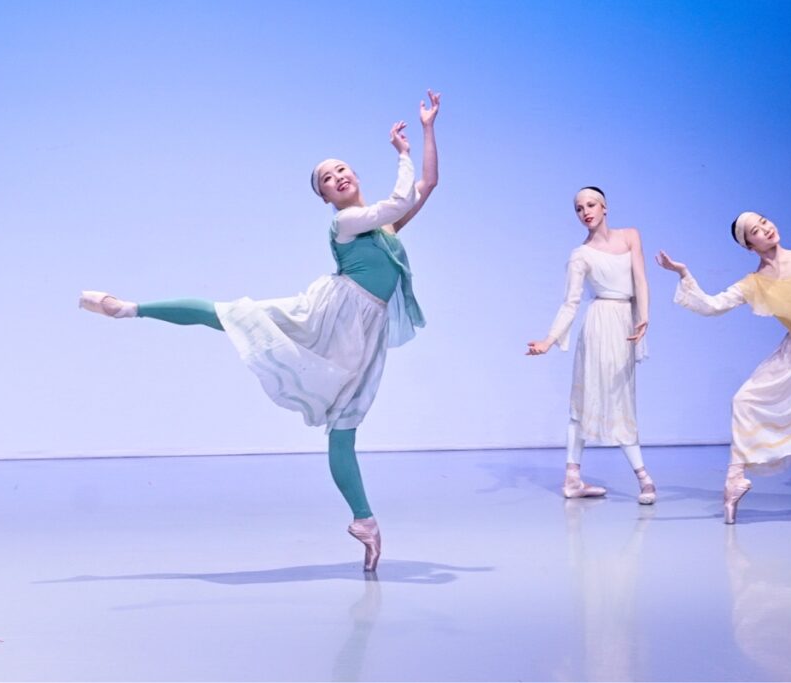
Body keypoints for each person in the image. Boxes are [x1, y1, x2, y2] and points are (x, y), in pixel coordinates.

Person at [79, 90, 442, 571]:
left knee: (344, 429)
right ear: (326, 198)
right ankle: (128, 308)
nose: (337, 177)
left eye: (340, 169)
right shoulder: (349, 222)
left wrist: (427, 128)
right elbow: (400, 197)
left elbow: (428, 185)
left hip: (362, 338)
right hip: (326, 315)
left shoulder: (384, 229)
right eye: (327, 179)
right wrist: (402, 155)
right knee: (232, 314)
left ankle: (365, 522)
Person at [656, 211, 791, 523]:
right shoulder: (754, 283)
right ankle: (735, 477)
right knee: (744, 399)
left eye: (765, 221)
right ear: (749, 245)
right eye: (756, 230)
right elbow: (712, 306)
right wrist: (683, 273)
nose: (766, 229)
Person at [527, 187, 656, 505]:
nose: (585, 211)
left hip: (625, 322)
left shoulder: (630, 236)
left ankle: (633, 477)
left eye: (591, 205)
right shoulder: (580, 255)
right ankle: (628, 478)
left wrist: (645, 317)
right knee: (585, 399)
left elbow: (641, 279)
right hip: (599, 325)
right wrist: (549, 340)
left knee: (621, 396)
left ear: (605, 207)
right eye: (579, 208)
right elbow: (570, 304)